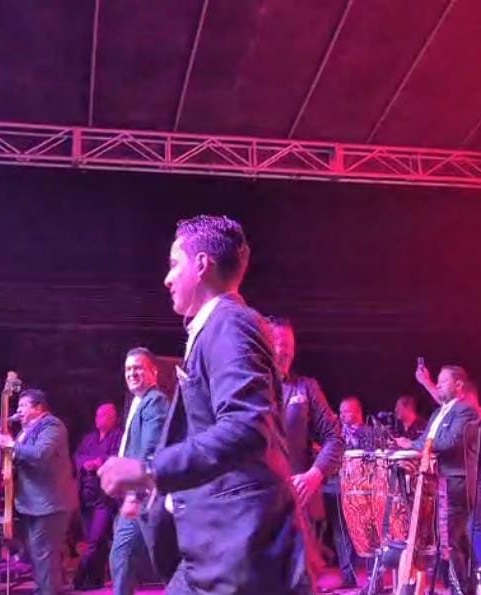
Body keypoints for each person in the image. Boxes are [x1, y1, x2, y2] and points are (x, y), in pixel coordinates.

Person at [98, 214, 308, 594]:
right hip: (223, 546)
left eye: (173, 263)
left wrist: (150, 470)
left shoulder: (230, 324)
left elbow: (247, 426)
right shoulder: (215, 327)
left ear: (201, 265)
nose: (167, 278)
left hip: (241, 547)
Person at [267, 316, 344, 586]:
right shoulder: (247, 387)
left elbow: (335, 438)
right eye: (278, 343)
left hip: (296, 507)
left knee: (299, 583)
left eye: (289, 345)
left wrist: (314, 475)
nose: (285, 351)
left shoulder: (306, 387)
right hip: (256, 506)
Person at [413, 364, 481, 593]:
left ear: (459, 384)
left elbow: (451, 441)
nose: (438, 385)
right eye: (438, 381)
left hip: (456, 483)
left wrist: (422, 446)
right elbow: (425, 439)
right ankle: (461, 586)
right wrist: (407, 445)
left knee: (452, 539)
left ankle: (462, 588)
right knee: (450, 540)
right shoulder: (438, 413)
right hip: (438, 483)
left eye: (443, 381)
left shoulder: (466, 411)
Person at [0, 389, 75, 595]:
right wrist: (4, 470)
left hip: (49, 504)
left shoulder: (52, 425)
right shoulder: (25, 431)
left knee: (45, 557)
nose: (18, 410)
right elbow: (22, 461)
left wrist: (11, 444)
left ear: (38, 407)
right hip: (31, 504)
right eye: (18, 406)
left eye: (23, 406)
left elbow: (40, 455)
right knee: (39, 558)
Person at [110, 348, 170, 595]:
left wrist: (134, 495)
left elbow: (150, 450)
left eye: (138, 368)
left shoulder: (154, 401)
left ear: (153, 372)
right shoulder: (140, 402)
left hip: (144, 495)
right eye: (128, 369)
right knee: (162, 561)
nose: (131, 373)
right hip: (139, 494)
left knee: (123, 555)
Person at [73, 402, 123, 589]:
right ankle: (95, 581)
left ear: (113, 418)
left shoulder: (119, 436)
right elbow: (78, 456)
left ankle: (79, 578)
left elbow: (119, 456)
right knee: (95, 540)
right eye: (97, 415)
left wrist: (100, 461)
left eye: (103, 415)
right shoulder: (89, 438)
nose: (98, 419)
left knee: (95, 539)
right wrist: (86, 463)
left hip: (105, 496)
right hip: (86, 495)